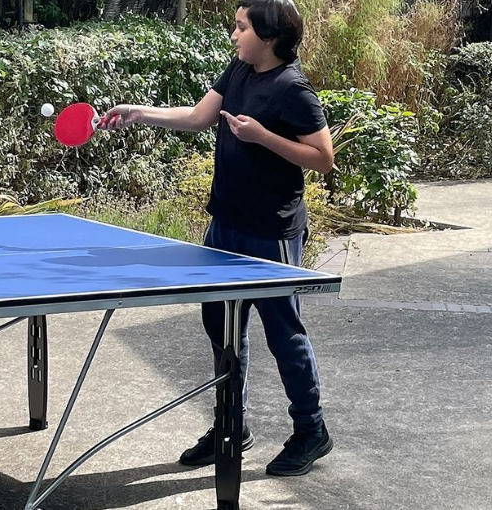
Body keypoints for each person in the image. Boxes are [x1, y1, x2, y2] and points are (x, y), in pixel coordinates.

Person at [104, 0, 334, 476]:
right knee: (224, 330)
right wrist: (136, 112)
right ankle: (231, 424)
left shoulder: (294, 89)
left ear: (268, 37)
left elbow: (322, 158)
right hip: (224, 226)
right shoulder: (239, 70)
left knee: (284, 335)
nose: (233, 34)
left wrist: (263, 137)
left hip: (271, 234)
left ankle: (311, 431)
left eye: (241, 27)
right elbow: (197, 116)